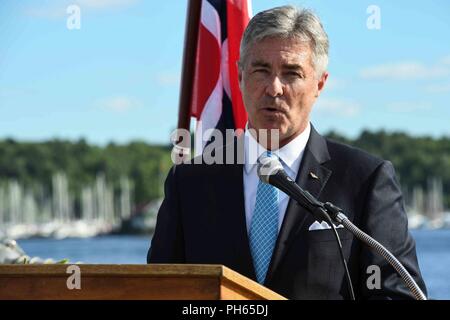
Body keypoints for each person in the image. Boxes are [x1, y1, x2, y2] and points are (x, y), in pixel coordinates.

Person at [147, 5, 427, 300]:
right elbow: (159, 291)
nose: (274, 88)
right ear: (240, 76)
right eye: (261, 70)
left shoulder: (365, 180)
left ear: (319, 84)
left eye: (291, 73)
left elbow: (396, 295)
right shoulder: (189, 182)